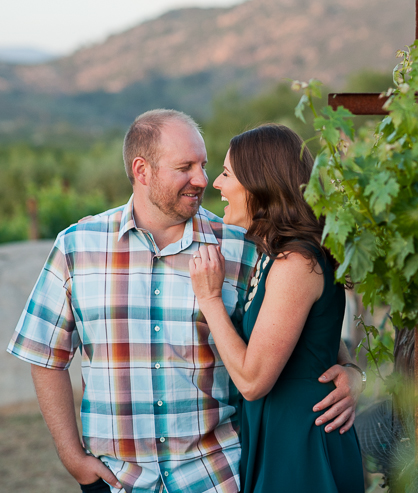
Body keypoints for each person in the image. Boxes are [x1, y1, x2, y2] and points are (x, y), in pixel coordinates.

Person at [6, 110, 362, 493]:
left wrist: (353, 372)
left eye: (206, 166)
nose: (202, 180)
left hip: (217, 476)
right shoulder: (77, 246)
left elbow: (296, 330)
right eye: (185, 167)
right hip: (119, 480)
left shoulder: (244, 246)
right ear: (142, 170)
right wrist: (72, 456)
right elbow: (45, 355)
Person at [189, 124, 365, 493]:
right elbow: (320, 342)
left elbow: (253, 382)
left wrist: (210, 300)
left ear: (260, 185)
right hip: (280, 432)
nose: (216, 184)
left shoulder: (295, 264)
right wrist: (349, 369)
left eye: (226, 174)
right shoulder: (278, 256)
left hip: (301, 443)